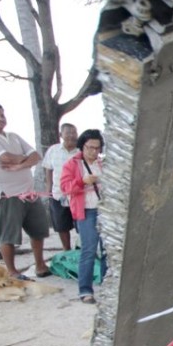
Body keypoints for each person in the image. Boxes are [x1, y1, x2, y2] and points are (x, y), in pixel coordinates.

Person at [0, 101, 52, 279]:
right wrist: (25, 160)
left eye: (2, 115)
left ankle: (40, 265)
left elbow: (37, 156)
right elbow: (6, 157)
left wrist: (19, 164)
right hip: (6, 194)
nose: (0, 119)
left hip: (29, 192)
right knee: (9, 235)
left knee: (38, 230)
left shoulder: (14, 136)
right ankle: (12, 271)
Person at [60, 129, 108, 304]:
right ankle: (85, 290)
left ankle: (106, 286)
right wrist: (82, 181)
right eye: (90, 148)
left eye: (97, 148)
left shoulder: (103, 164)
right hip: (86, 211)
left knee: (107, 251)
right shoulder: (72, 164)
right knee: (88, 250)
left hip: (105, 210)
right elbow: (65, 188)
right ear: (82, 146)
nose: (93, 152)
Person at [42, 122, 79, 251]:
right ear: (61, 134)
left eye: (74, 132)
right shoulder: (53, 150)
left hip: (78, 195)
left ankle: (81, 249)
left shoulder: (81, 151)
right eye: (68, 132)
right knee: (61, 225)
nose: (71, 135)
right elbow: (48, 169)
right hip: (58, 194)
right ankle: (66, 250)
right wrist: (48, 188)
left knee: (81, 225)